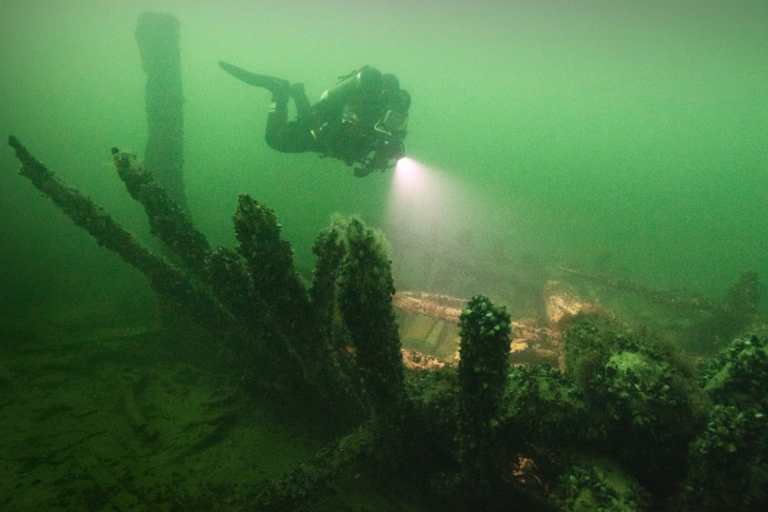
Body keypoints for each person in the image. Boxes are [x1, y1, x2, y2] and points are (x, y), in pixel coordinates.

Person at [219, 62, 410, 177]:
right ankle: (279, 92)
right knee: (276, 140)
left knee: (288, 133)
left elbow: (371, 142)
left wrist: (371, 163)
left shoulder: (378, 121)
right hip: (324, 129)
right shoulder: (366, 112)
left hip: (325, 133)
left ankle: (287, 92)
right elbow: (334, 126)